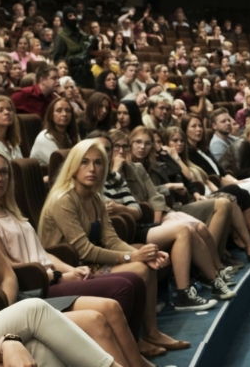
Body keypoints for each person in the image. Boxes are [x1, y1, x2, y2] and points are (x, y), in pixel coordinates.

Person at [0, 149, 154, 365]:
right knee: (111, 301)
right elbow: (17, 270)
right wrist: (57, 276)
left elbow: (40, 254)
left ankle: (138, 358)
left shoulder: (12, 212)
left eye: (3, 172)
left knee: (113, 303)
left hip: (44, 281)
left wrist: (68, 269)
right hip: (36, 286)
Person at [37, 139, 190, 353]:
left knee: (146, 263)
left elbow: (111, 240)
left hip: (88, 264)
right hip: (69, 271)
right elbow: (84, 250)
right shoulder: (63, 199)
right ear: (73, 166)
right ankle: (133, 341)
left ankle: (150, 333)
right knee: (140, 268)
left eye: (98, 162)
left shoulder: (95, 198)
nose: (92, 169)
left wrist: (142, 253)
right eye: (84, 162)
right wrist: (132, 258)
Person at [91, 132, 234, 307]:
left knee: (188, 228)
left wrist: (122, 209)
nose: (108, 153)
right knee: (183, 229)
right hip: (121, 233)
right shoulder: (92, 179)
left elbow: (138, 210)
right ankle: (184, 293)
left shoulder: (116, 177)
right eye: (106, 149)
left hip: (138, 226)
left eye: (108, 149)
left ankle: (212, 281)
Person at [121, 128, 240, 271]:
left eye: (148, 143)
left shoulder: (152, 163)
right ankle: (209, 264)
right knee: (219, 206)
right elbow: (144, 194)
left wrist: (163, 152)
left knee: (224, 204)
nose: (142, 147)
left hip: (171, 206)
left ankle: (216, 260)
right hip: (158, 213)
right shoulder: (128, 168)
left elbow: (177, 172)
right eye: (138, 142)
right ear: (130, 144)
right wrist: (168, 186)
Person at [161, 126, 250, 260]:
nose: (179, 144)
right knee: (233, 193)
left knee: (233, 197)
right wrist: (175, 157)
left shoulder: (187, 159)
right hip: (186, 204)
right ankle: (215, 255)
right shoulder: (170, 163)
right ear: (166, 143)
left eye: (182, 141)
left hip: (202, 195)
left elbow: (200, 180)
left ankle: (249, 246)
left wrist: (203, 192)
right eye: (175, 141)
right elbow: (187, 177)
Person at [181, 114, 250, 241]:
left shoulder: (203, 150)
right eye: (193, 126)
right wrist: (234, 182)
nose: (198, 129)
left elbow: (221, 172)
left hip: (226, 181)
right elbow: (211, 178)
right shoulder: (188, 153)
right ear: (185, 130)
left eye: (200, 126)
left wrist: (235, 181)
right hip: (216, 188)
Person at [30, 97, 79, 166]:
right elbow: (61, 165)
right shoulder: (45, 137)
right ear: (51, 115)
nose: (64, 114)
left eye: (68, 110)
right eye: (59, 110)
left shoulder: (69, 135)